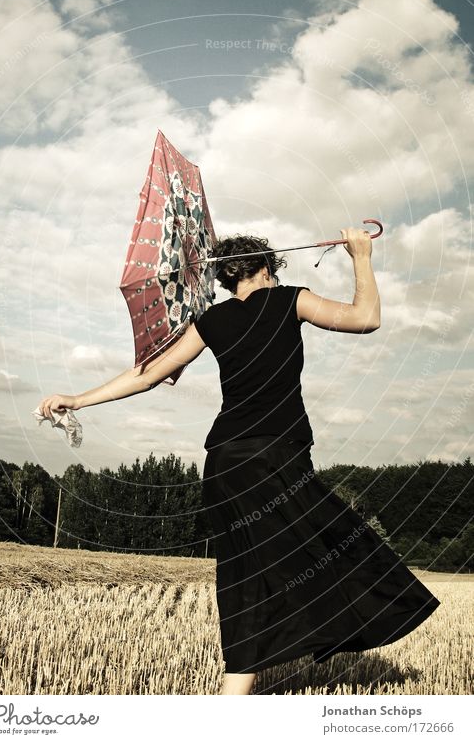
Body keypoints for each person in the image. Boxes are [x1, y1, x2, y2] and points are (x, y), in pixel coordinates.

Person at [38, 227, 440, 696]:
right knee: (341, 547)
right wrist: (362, 256)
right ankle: (277, 664)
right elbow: (366, 318)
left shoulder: (211, 321)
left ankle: (236, 693)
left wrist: (77, 399)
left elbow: (145, 375)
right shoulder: (290, 299)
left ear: (230, 279)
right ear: (267, 270)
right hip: (275, 459)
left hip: (226, 465)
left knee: (248, 573)